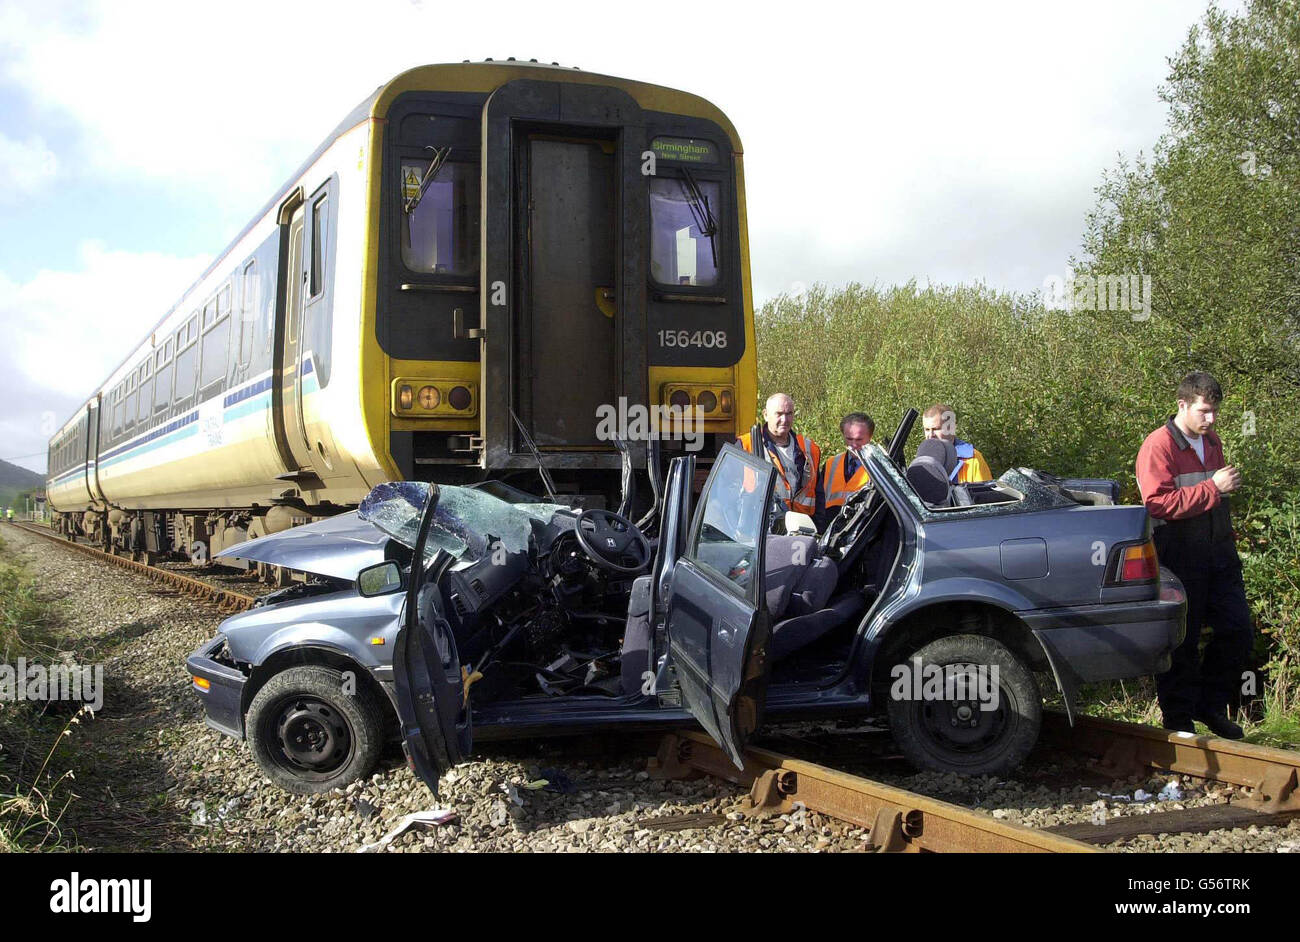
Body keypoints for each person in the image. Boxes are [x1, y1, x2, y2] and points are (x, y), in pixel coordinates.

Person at [1136, 371, 1252, 739]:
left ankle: (1210, 706)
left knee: (1237, 631)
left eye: (1215, 411)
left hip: (1220, 553)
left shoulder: (1212, 440)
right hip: (1180, 555)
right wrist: (1213, 488)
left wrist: (1220, 496)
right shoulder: (1158, 446)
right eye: (1204, 411)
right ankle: (1179, 721)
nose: (1211, 419)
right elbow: (1156, 502)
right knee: (1182, 642)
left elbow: (1211, 497)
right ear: (1182, 405)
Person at [736, 393, 822, 516]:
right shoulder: (745, 445)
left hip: (802, 529)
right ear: (765, 415)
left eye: (789, 414)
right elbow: (727, 491)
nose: (784, 420)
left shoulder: (810, 449)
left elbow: (819, 495)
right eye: (779, 414)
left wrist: (819, 530)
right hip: (761, 527)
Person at [820, 412, 874, 525]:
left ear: (870, 437)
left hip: (861, 529)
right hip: (829, 528)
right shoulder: (831, 463)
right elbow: (819, 501)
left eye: (859, 439)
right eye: (849, 439)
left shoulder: (878, 468)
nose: (853, 444)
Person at [922, 403, 992, 484]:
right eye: (927, 429)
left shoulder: (972, 459)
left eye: (936, 429)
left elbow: (984, 495)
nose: (930, 435)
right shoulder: (922, 459)